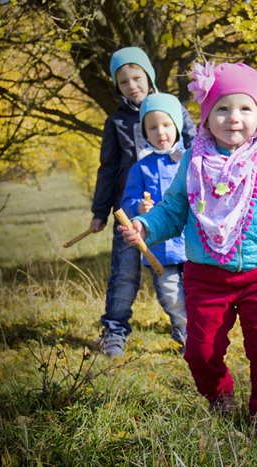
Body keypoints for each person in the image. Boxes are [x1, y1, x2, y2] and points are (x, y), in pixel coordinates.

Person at [118, 62, 257, 441]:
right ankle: (219, 394)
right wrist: (146, 225)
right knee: (200, 350)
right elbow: (174, 208)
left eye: (245, 108)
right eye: (221, 109)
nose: (233, 118)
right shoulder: (193, 163)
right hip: (206, 277)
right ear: (206, 118)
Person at [90, 47, 196, 357]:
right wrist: (100, 211)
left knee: (183, 277)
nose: (132, 86)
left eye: (137, 77)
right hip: (129, 214)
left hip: (175, 213)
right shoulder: (116, 122)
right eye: (123, 82)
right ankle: (114, 331)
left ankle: (189, 334)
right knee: (124, 275)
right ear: (116, 86)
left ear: (148, 76)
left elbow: (197, 148)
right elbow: (108, 169)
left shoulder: (174, 110)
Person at [120, 93, 188, 351]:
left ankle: (202, 336)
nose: (161, 132)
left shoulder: (190, 159)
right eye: (152, 127)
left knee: (196, 293)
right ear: (144, 132)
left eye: (167, 125)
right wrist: (137, 206)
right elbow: (127, 202)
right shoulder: (141, 168)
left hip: (192, 245)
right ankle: (184, 333)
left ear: (177, 126)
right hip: (159, 250)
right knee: (171, 296)